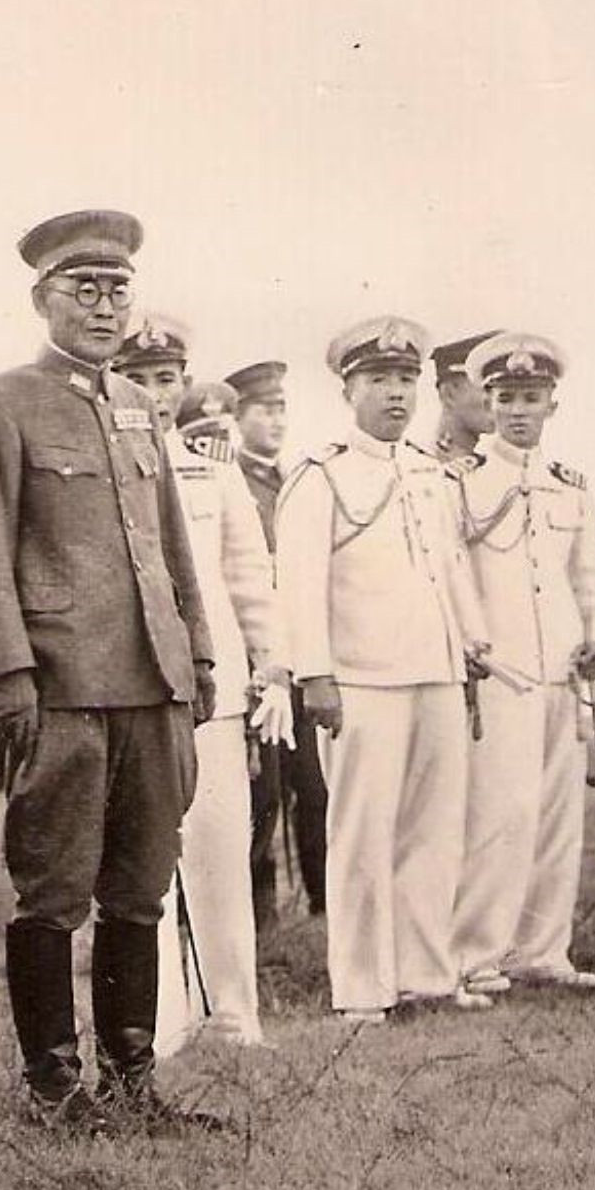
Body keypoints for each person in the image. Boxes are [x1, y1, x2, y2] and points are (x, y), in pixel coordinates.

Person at [0, 211, 217, 1130]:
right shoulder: (3, 401)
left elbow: (171, 546)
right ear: (43, 299)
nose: (105, 308)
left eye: (117, 290)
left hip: (152, 684)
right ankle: (54, 1088)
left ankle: (133, 1084)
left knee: (140, 887)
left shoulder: (138, 403)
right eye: (84, 290)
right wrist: (7, 673)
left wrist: (198, 652)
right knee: (54, 889)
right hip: (61, 686)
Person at [275, 316, 493, 1023]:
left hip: (436, 669)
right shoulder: (322, 474)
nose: (395, 393)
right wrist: (315, 673)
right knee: (363, 834)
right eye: (378, 379)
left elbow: (450, 566)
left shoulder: (429, 472)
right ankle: (363, 987)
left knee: (436, 828)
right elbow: (299, 583)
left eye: (404, 379)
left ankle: (427, 973)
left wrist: (472, 643)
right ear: (349, 390)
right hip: (362, 677)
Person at [103, 334, 293, 1057]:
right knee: (145, 858)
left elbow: (248, 577)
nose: (155, 394)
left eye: (166, 378)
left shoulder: (213, 471)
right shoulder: (101, 466)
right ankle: (161, 1017)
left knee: (220, 850)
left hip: (214, 692)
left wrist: (272, 665)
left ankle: (234, 1012)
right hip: (134, 689)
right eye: (139, 377)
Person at [448, 333, 595, 994]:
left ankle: (543, 951)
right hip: (502, 672)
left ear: (552, 404)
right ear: (488, 404)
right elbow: (455, 574)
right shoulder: (463, 482)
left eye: (532, 397)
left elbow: (591, 578)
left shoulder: (569, 487)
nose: (519, 411)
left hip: (563, 670)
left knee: (557, 815)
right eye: (507, 398)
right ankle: (477, 954)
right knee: (501, 815)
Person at [224, 359, 327, 924]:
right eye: (265, 410)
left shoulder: (294, 480)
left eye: (282, 408)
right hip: (256, 658)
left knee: (314, 783)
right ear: (238, 417)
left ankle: (323, 903)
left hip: (300, 651)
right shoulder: (231, 479)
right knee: (260, 790)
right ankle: (256, 913)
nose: (277, 420)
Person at [427, 330, 497, 465]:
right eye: (487, 389)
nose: (497, 400)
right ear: (449, 394)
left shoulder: (489, 467)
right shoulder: (415, 465)